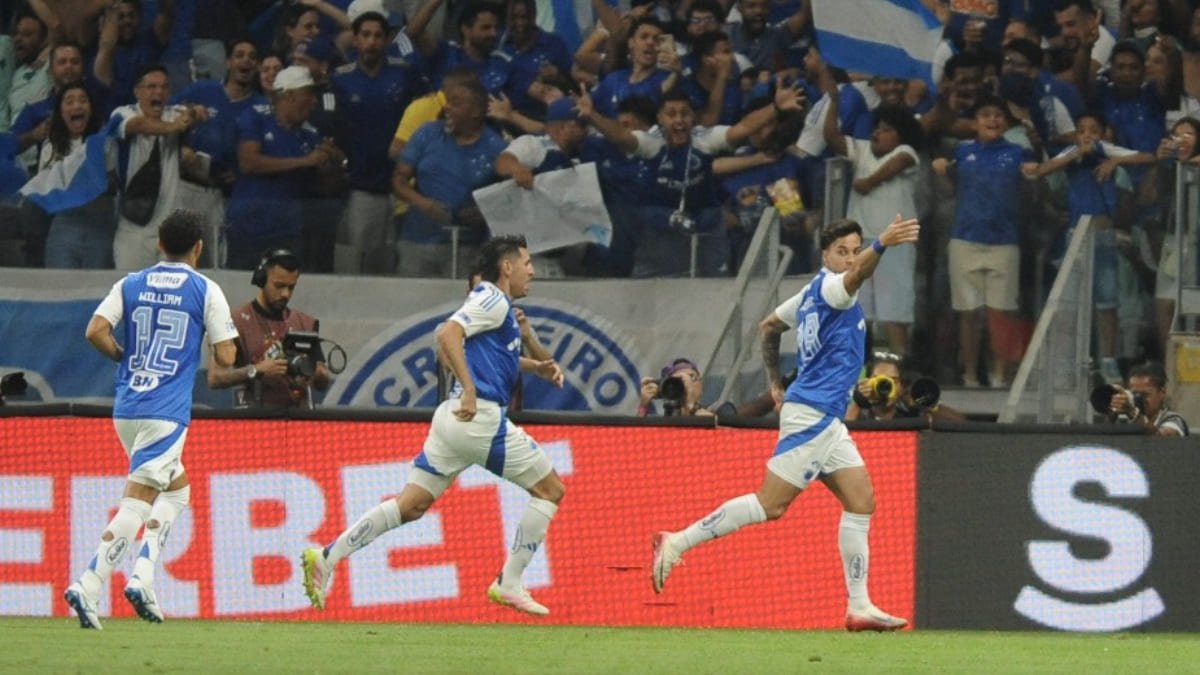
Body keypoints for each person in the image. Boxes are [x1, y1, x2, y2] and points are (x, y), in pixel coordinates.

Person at [650, 214, 920, 632]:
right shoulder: (834, 288)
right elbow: (854, 279)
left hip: (825, 417)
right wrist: (881, 243)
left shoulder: (809, 293)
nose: (850, 259)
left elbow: (768, 326)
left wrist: (776, 383)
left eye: (854, 250)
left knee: (862, 500)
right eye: (842, 252)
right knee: (769, 505)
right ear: (825, 255)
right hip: (812, 415)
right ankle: (678, 541)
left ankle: (860, 605)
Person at [301, 235, 567, 616]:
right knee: (550, 490)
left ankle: (326, 557)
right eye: (526, 262)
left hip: (451, 421)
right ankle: (509, 582)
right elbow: (447, 335)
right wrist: (472, 389)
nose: (532, 270)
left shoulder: (495, 306)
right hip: (480, 418)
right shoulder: (491, 298)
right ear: (507, 267)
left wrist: (533, 365)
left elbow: (471, 348)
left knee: (410, 506)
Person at [64, 210, 239, 629]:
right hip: (166, 413)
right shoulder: (205, 288)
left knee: (177, 492)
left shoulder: (131, 283)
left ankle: (142, 578)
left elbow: (95, 330)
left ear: (158, 243)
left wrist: (125, 357)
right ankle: (89, 583)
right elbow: (227, 356)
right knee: (138, 500)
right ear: (199, 247)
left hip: (127, 407)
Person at [111, 63, 206, 270]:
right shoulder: (123, 114)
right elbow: (138, 125)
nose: (159, 92)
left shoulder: (174, 112)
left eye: (164, 87)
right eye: (152, 87)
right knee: (132, 292)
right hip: (134, 228)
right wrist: (174, 127)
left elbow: (199, 112)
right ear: (137, 91)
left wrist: (193, 113)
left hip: (170, 228)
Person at [212, 248, 332, 409]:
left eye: (291, 287)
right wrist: (256, 370)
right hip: (254, 421)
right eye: (279, 286)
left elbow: (321, 382)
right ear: (261, 280)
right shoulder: (235, 322)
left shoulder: (305, 323)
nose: (285, 294)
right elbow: (215, 378)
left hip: (299, 420)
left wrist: (318, 375)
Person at [845, 351, 966, 423]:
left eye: (893, 380)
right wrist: (859, 401)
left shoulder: (913, 413)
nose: (884, 386)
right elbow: (841, 435)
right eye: (878, 380)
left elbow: (961, 424)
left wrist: (926, 404)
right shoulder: (859, 413)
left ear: (902, 387)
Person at [1107, 361, 1190, 436]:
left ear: (1162, 392)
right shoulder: (1125, 420)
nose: (1139, 399)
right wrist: (1112, 414)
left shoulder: (1174, 420)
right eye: (1134, 394)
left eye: (1144, 395)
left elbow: (1158, 437)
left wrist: (1132, 412)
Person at [637, 357, 713, 416]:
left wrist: (691, 406)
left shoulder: (718, 412)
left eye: (691, 377)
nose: (687, 383)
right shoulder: (659, 423)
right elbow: (636, 434)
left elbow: (717, 428)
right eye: (679, 380)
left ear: (701, 384)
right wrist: (643, 406)